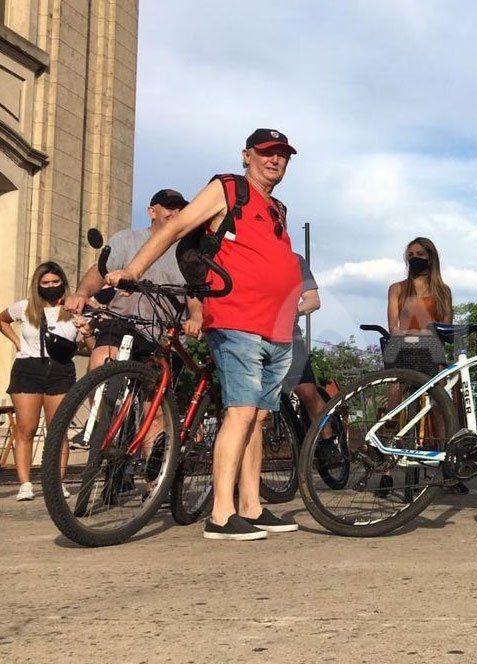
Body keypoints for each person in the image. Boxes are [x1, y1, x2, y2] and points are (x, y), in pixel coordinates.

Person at [105, 128, 304, 540]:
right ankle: (220, 514)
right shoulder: (228, 188)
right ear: (247, 155)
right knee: (241, 411)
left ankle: (251, 505)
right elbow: (177, 229)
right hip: (237, 318)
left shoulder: (278, 208)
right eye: (267, 153)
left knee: (258, 417)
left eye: (283, 154)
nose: (275, 160)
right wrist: (135, 270)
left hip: (276, 326)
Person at [67, 189, 196, 365]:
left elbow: (193, 291)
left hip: (165, 335)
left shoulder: (189, 252)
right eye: (169, 208)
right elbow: (100, 270)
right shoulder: (127, 239)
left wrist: (196, 317)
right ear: (152, 211)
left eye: (180, 209)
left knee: (153, 389)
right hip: (123, 322)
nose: (175, 213)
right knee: (102, 362)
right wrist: (82, 293)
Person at [386, 237, 465, 494]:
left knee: (440, 405)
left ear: (430, 257)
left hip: (431, 350)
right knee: (394, 399)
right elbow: (394, 329)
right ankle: (385, 465)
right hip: (403, 349)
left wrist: (423, 335)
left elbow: (445, 327)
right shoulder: (397, 288)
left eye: (419, 253)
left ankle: (446, 467)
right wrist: (423, 333)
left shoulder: (443, 291)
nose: (414, 258)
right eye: (410, 254)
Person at [1, 262, 79, 500]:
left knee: (58, 429)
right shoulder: (25, 307)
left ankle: (57, 482)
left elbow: (87, 341)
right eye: (46, 283)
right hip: (28, 368)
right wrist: (16, 342)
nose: (51, 286)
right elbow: (2, 320)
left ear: (63, 283)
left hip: (61, 369)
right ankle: (25, 483)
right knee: (27, 428)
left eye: (56, 282)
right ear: (37, 285)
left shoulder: (73, 309)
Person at [281, 253, 337, 457]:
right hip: (256, 337)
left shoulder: (295, 260)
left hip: (288, 336)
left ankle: (328, 440)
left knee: (306, 391)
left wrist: (291, 311)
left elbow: (313, 300)